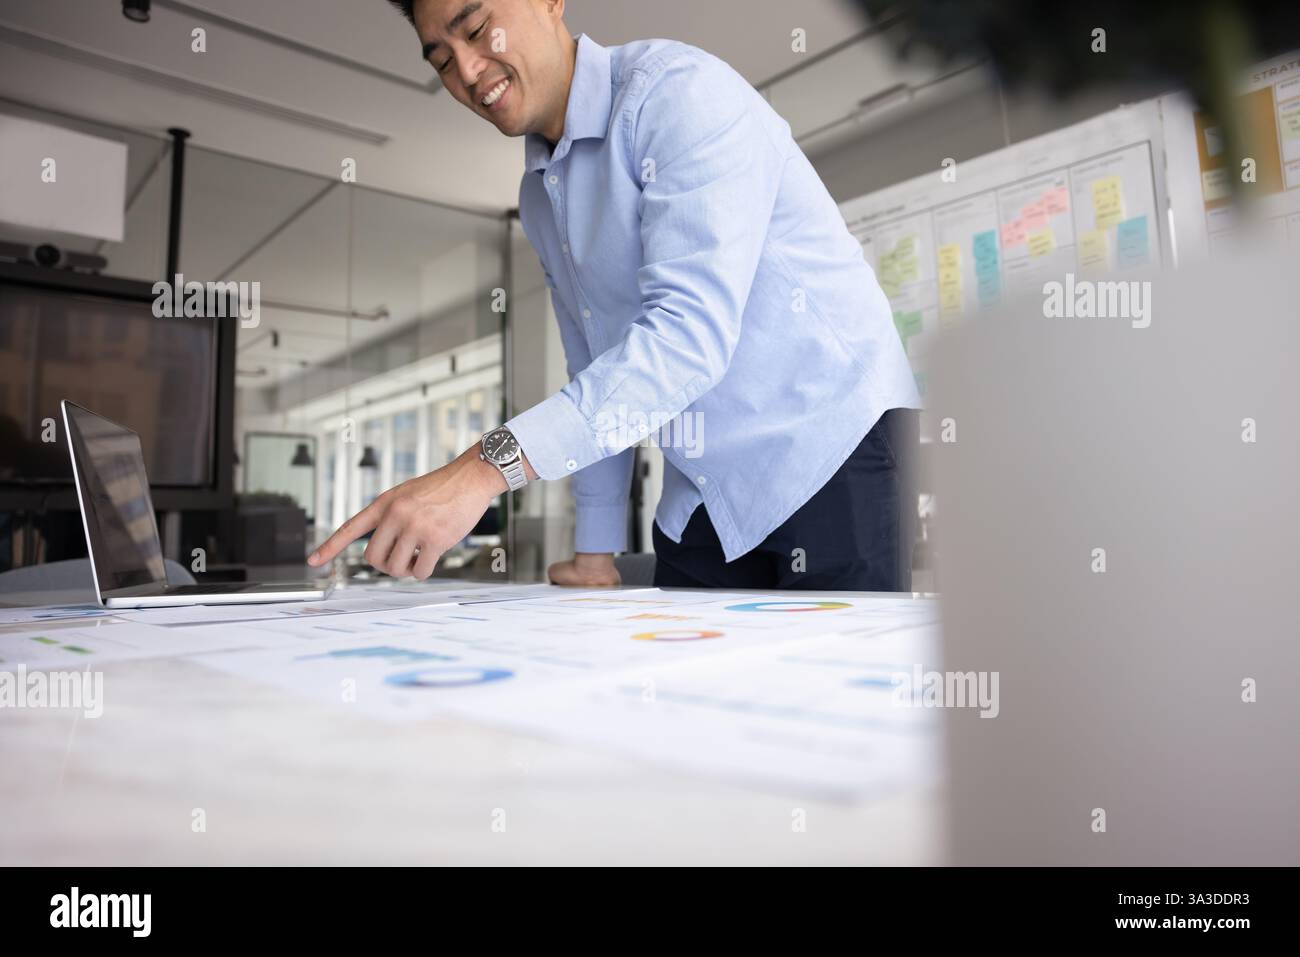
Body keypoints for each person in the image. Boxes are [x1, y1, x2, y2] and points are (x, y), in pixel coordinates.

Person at [309, 0, 920, 590]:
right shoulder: (539, 196)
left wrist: (480, 471)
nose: (467, 71)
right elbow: (597, 368)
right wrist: (594, 552)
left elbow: (687, 337)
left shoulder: (678, 93)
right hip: (703, 488)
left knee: (829, 691)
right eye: (441, 59)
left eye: (476, 28)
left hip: (832, 447)